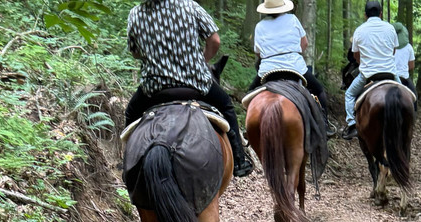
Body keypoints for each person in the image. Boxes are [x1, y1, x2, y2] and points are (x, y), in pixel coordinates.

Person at [126, 0, 254, 177]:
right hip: (196, 84)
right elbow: (214, 40)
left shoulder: (135, 13)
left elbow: (135, 52)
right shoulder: (190, 6)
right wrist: (203, 61)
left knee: (130, 112)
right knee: (226, 106)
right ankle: (239, 160)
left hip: (154, 89)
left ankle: (129, 167)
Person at [248, 0, 330, 128]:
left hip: (268, 70)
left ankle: (250, 129)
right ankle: (325, 124)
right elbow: (305, 43)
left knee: (250, 93)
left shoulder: (259, 26)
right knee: (319, 90)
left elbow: (259, 53)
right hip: (294, 67)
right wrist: (294, 54)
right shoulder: (292, 19)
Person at [341, 0, 399, 140]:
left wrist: (365, 62)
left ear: (365, 15)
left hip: (368, 74)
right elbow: (393, 51)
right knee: (408, 96)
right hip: (390, 73)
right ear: (380, 14)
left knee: (349, 95)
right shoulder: (390, 28)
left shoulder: (359, 30)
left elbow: (355, 55)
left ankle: (351, 124)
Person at [393, 21, 417, 108]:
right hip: (403, 78)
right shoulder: (409, 47)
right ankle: (414, 116)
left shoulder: (388, 45)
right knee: (414, 97)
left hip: (388, 76)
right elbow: (411, 66)